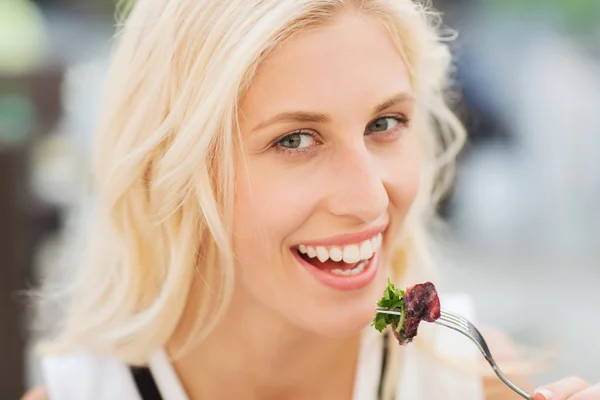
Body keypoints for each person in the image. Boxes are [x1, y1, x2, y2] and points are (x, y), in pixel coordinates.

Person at [23, 0, 600, 399]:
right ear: (176, 168)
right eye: (295, 139)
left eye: (385, 123)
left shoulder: (473, 383)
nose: (369, 198)